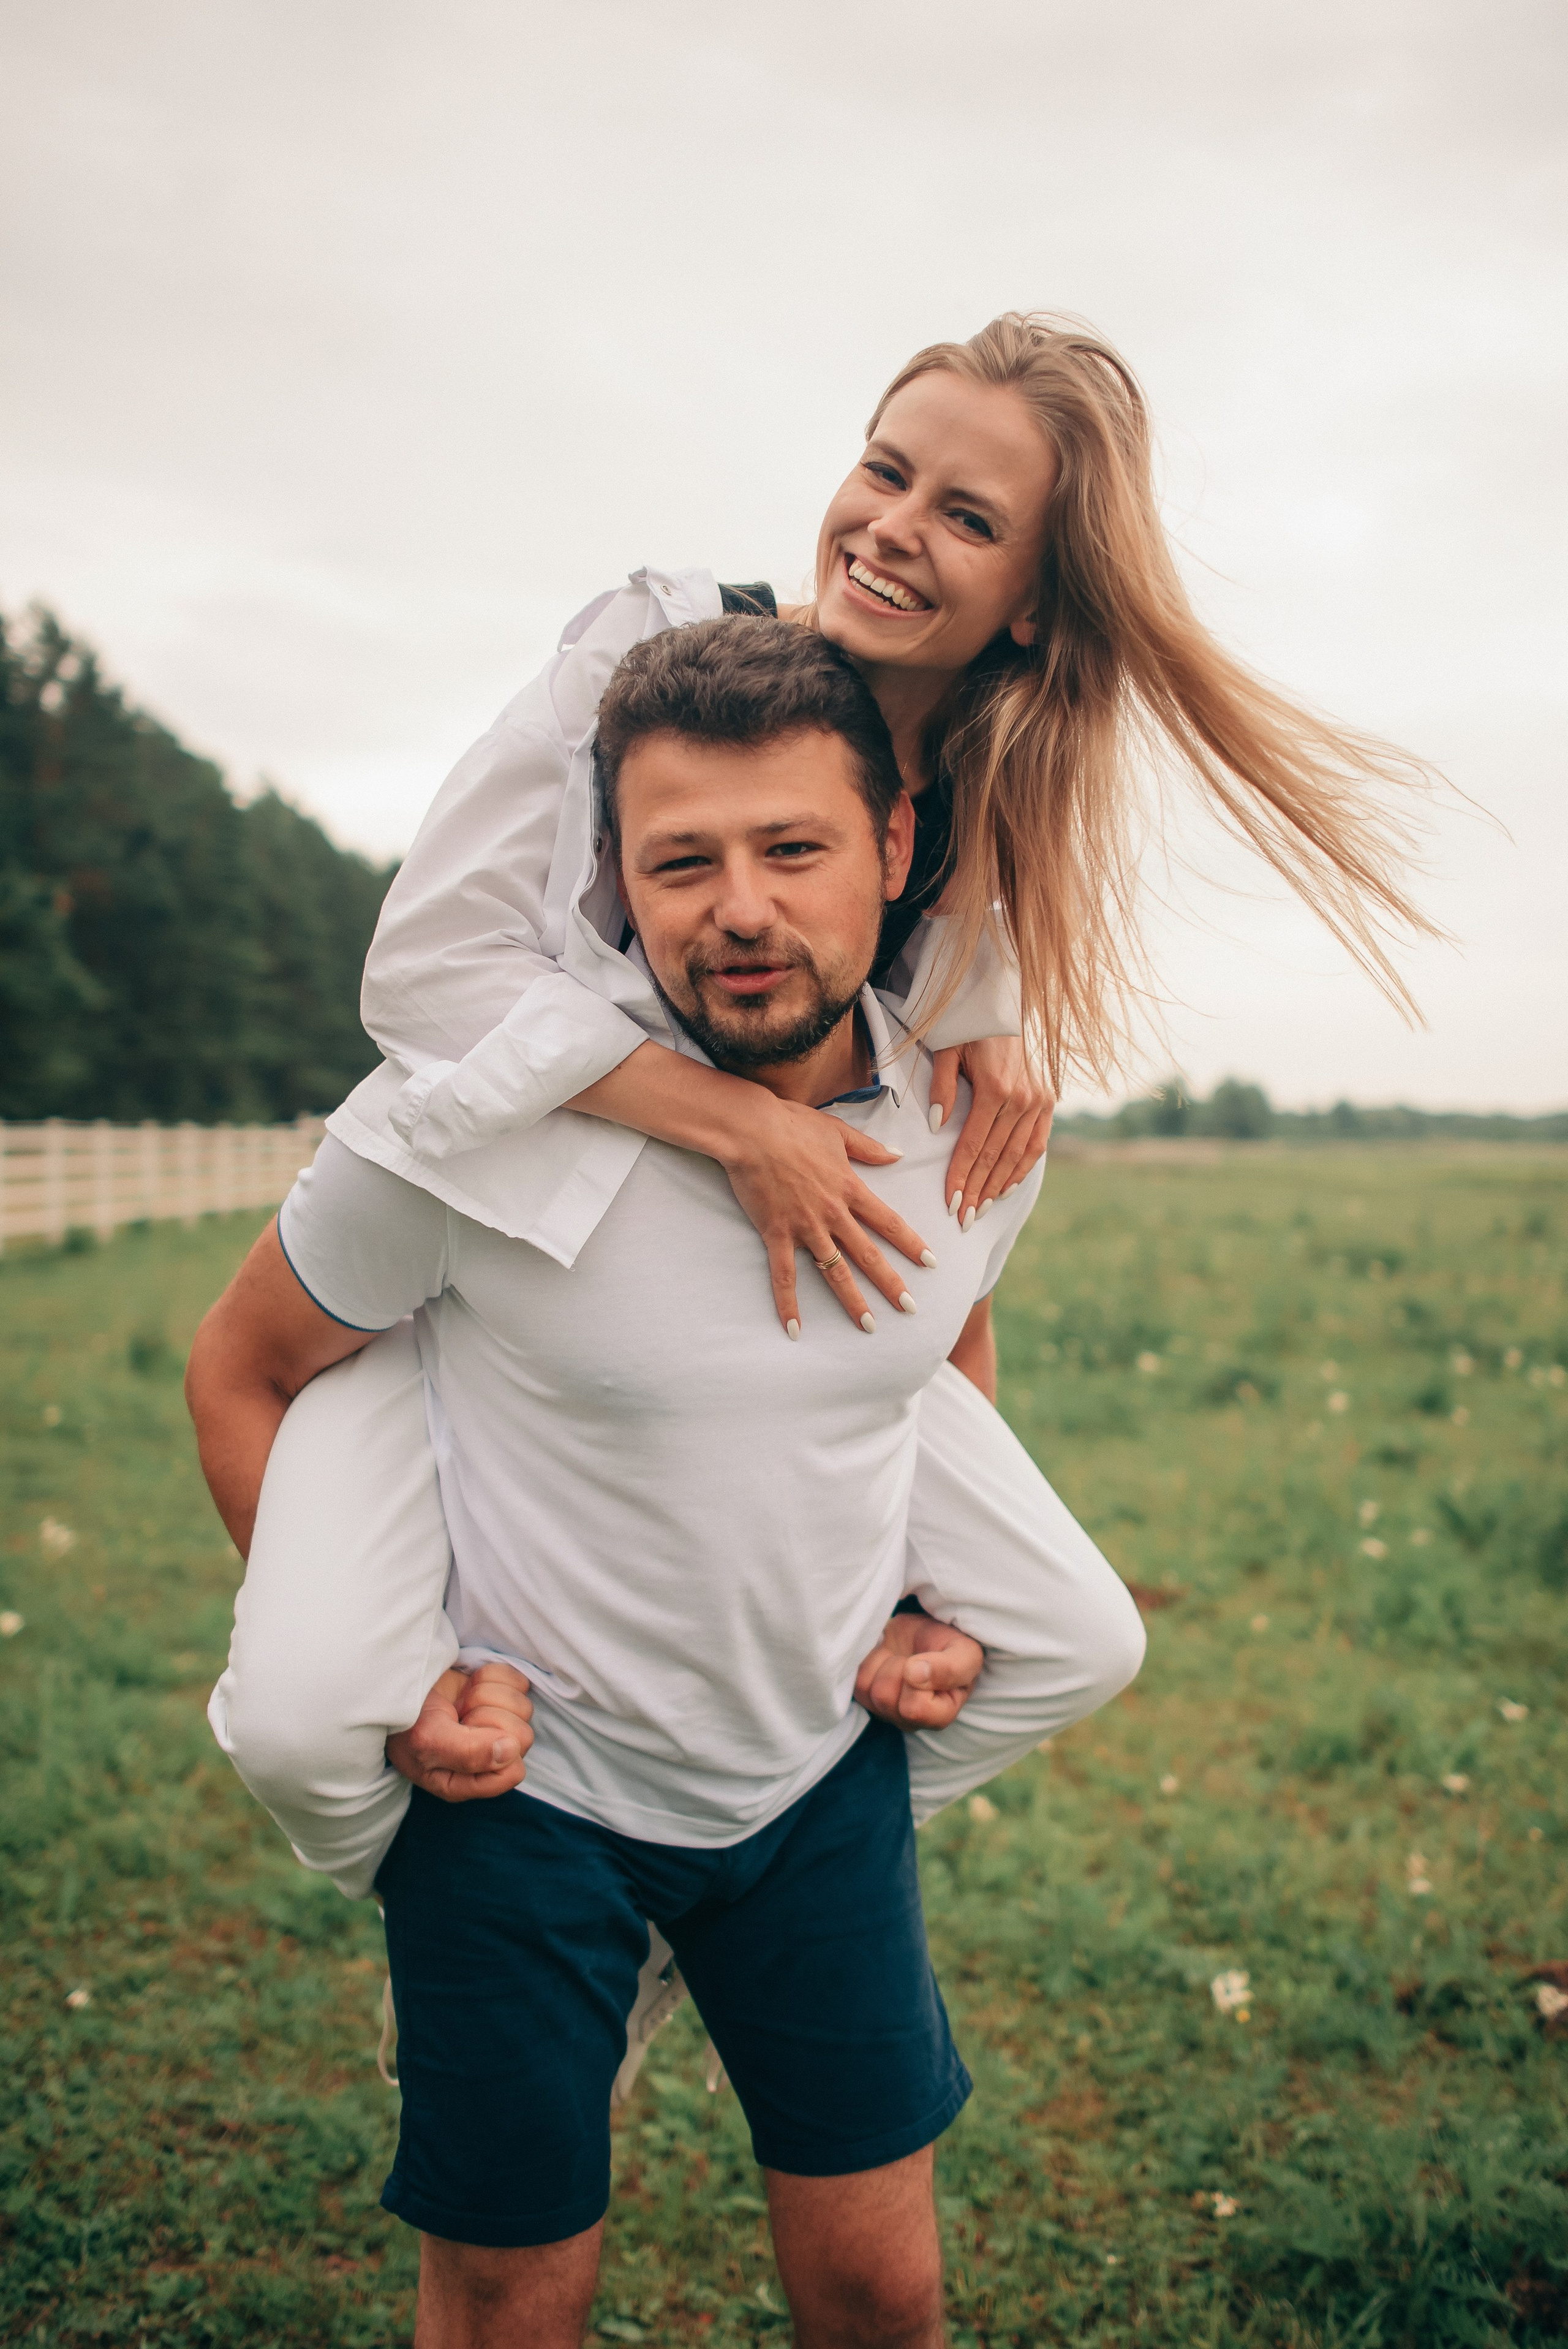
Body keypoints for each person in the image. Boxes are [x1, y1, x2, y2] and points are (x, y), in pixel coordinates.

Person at [187, 620, 1142, 2346]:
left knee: (884, 2292)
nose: (740, 907)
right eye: (680, 860)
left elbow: (939, 1344)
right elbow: (244, 1369)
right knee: (508, 2301)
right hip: (522, 1807)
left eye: (793, 847)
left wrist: (933, 1600)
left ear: (896, 847)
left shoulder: (971, 1122)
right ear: (615, 881)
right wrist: (394, 1683)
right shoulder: (462, 1132)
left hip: (813, 1794)